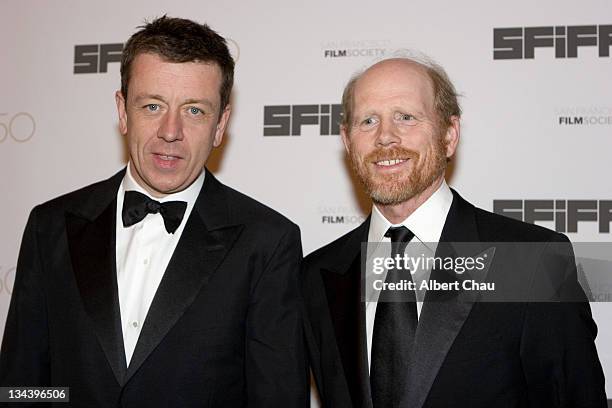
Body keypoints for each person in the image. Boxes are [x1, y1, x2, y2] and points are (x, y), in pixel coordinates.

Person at [1, 16, 307, 407]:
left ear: (220, 124)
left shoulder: (267, 242)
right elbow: (23, 387)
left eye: (194, 111)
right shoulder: (51, 226)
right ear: (123, 111)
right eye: (152, 105)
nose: (170, 130)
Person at [301, 56, 607, 407]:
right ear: (347, 140)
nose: (385, 136)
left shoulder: (532, 262)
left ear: (449, 135)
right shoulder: (317, 277)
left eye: (406, 117)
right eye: (368, 120)